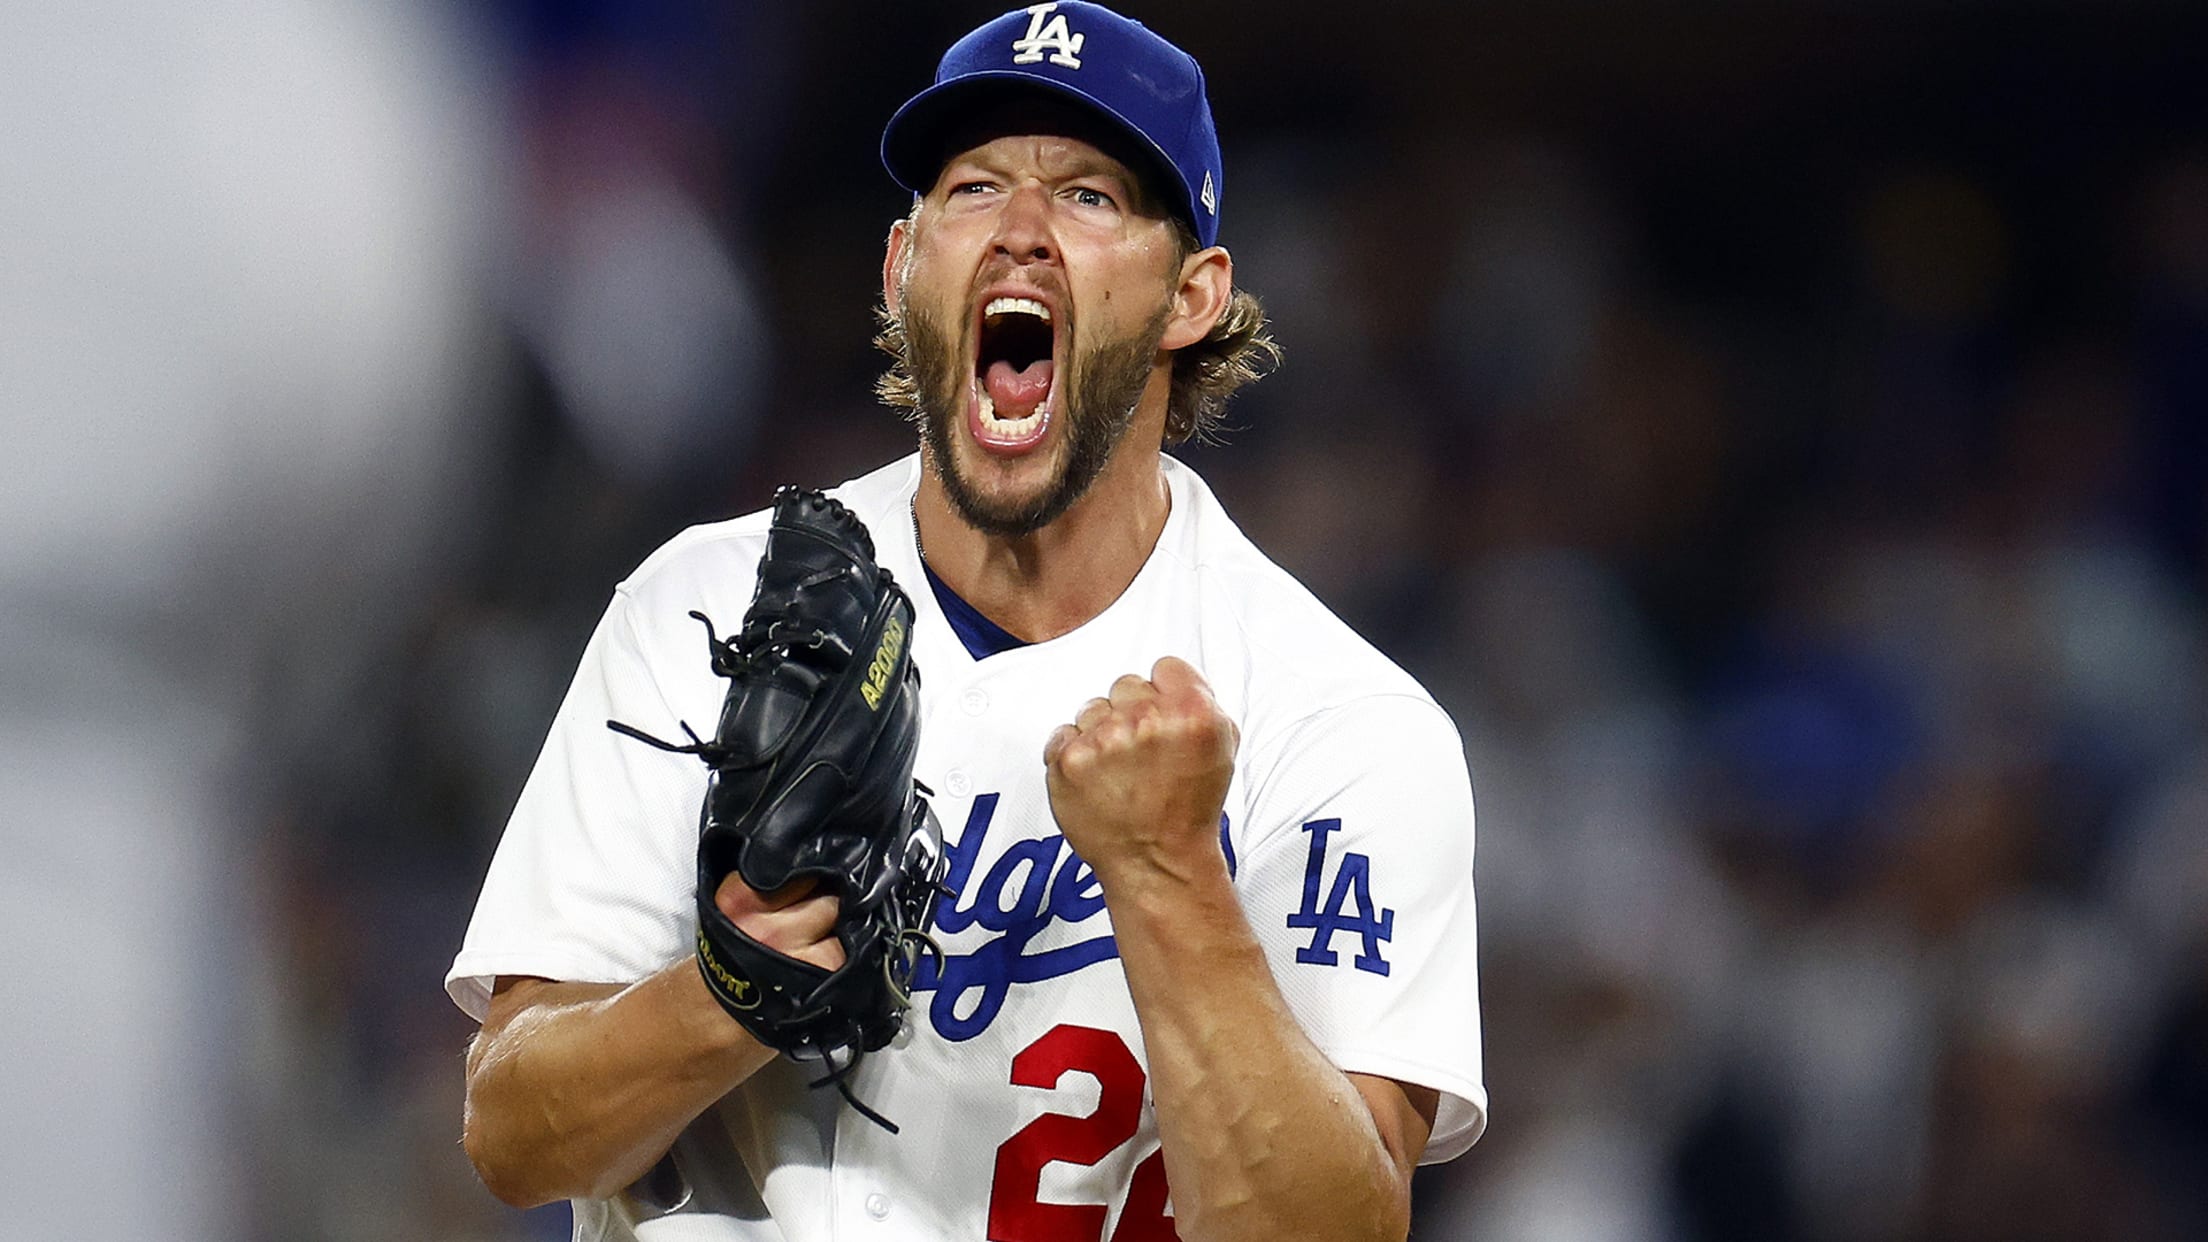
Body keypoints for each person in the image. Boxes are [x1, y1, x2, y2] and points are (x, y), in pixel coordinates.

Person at [449, 4, 1485, 1238]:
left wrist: (1168, 881)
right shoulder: (703, 608)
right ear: (903, 265)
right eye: (976, 187)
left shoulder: (1338, 723)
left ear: (1191, 295)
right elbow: (512, 1137)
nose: (1023, 233)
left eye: (1093, 195)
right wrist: (729, 994)